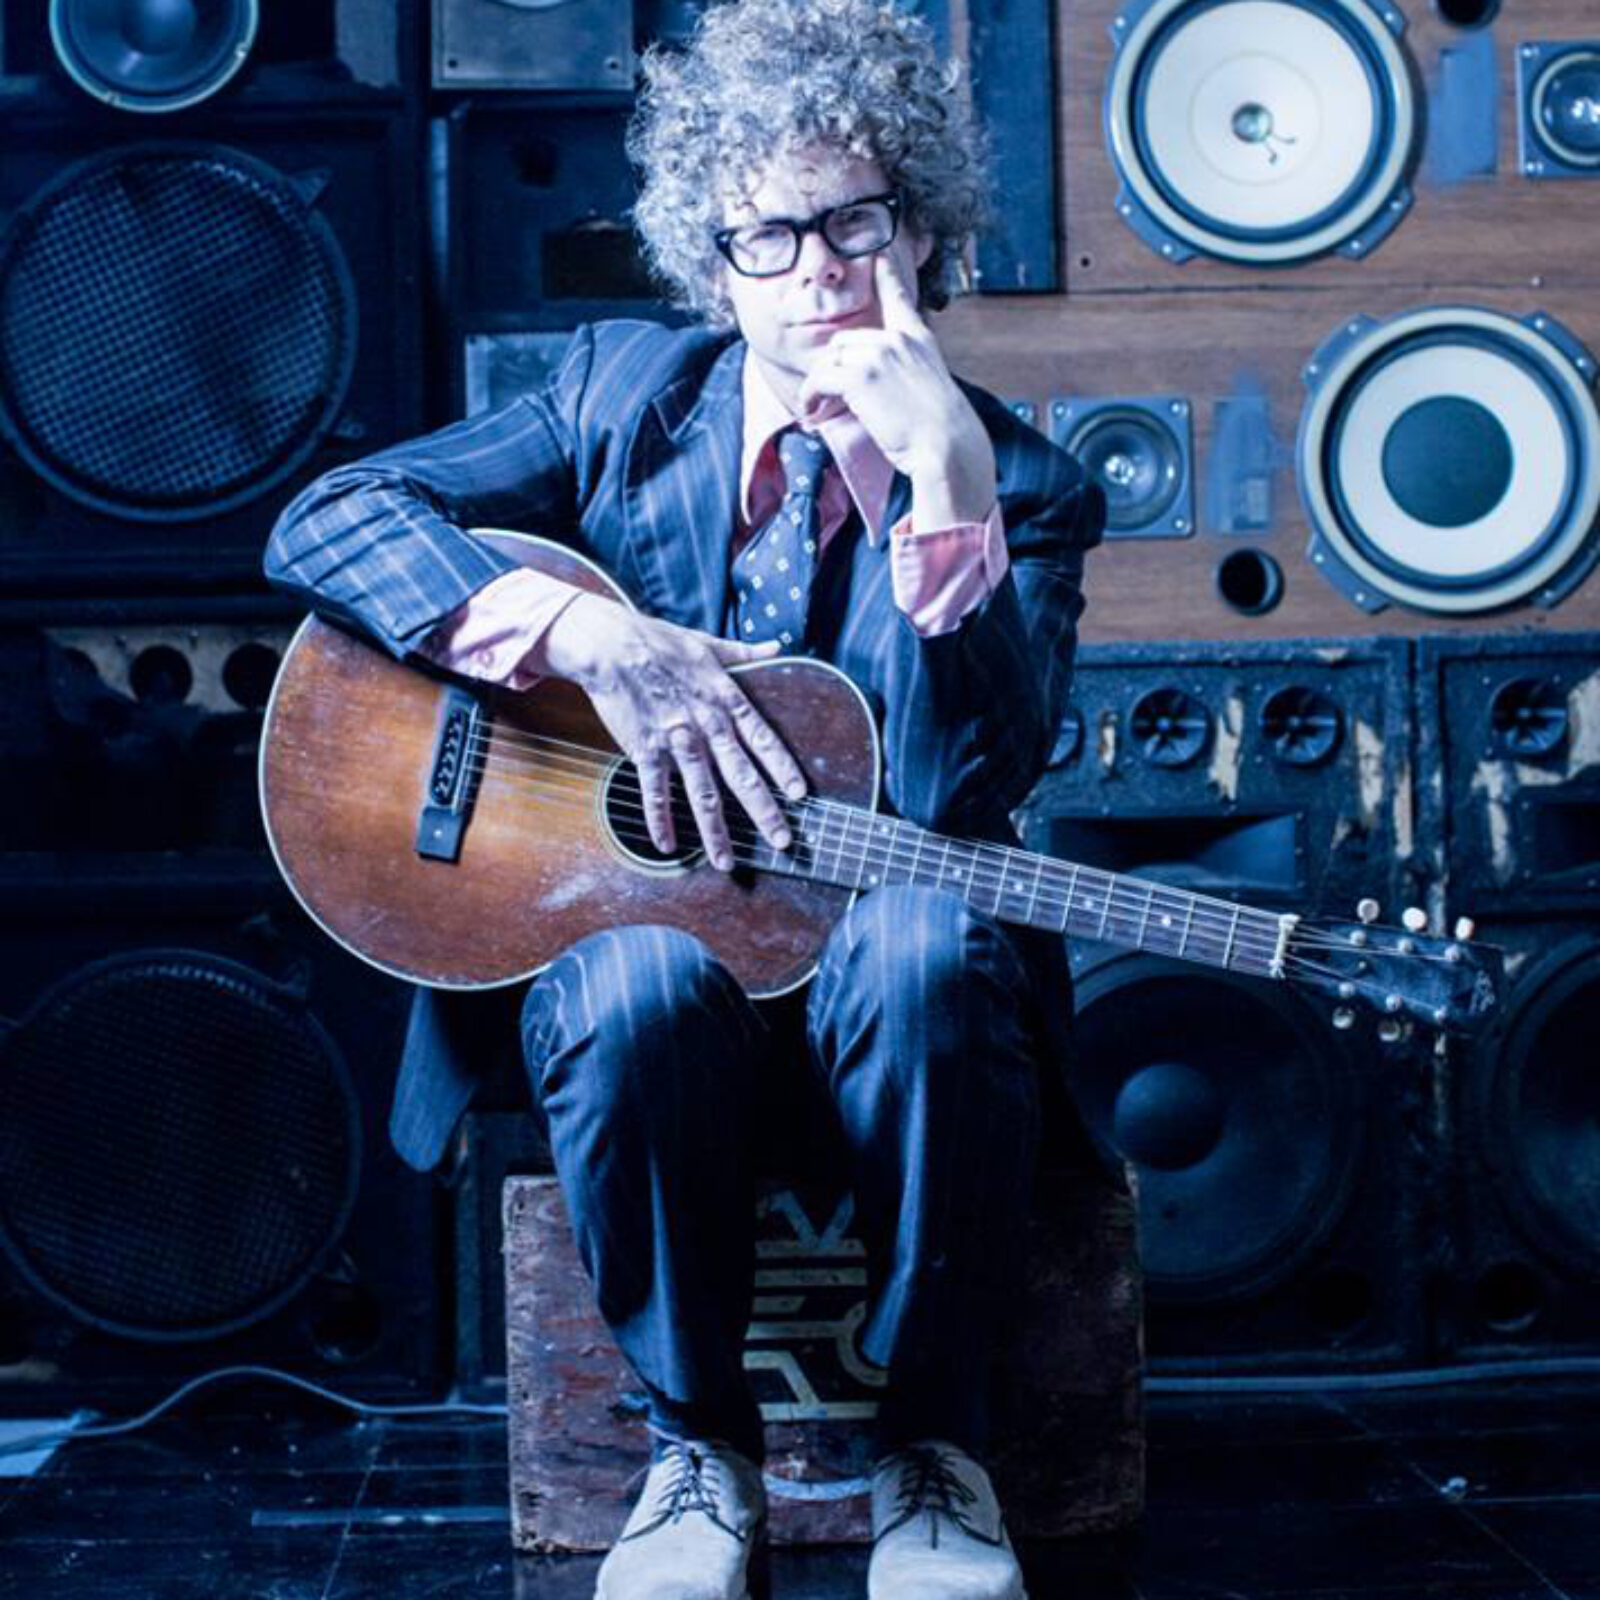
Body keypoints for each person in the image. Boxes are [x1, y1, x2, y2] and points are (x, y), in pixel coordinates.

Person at [265, 0, 1106, 1594]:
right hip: (647, 998)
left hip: (894, 1024)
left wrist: (945, 489)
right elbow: (331, 517)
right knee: (630, 975)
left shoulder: (1028, 485)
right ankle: (697, 1455)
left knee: (926, 939)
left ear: (923, 233)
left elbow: (963, 793)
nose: (818, 272)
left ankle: (933, 1453)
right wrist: (584, 636)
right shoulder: (616, 395)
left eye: (856, 221)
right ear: (716, 270)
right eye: (767, 237)